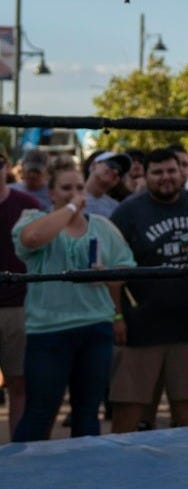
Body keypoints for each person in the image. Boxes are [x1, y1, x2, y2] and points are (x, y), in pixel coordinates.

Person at [108, 147, 188, 433]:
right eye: (157, 172)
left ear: (182, 172)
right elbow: (111, 269)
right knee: (129, 408)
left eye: (171, 170)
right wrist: (117, 317)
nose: (165, 177)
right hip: (141, 325)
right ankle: (121, 470)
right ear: (145, 175)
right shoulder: (129, 210)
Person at [11, 162, 135, 440]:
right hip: (48, 331)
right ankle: (23, 477)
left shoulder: (102, 226)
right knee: (40, 412)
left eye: (79, 187)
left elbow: (126, 270)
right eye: (66, 188)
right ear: (51, 193)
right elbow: (31, 239)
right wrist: (68, 210)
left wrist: (107, 276)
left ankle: (84, 477)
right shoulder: (32, 218)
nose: (75, 193)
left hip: (95, 328)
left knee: (87, 412)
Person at [0, 144, 42, 438]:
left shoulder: (27, 204)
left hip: (19, 305)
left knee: (20, 382)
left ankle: (17, 453)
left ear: (6, 166)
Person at [82, 150, 132, 218]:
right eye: (112, 165)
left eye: (120, 172)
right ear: (93, 165)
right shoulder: (68, 197)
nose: (116, 171)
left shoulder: (117, 209)